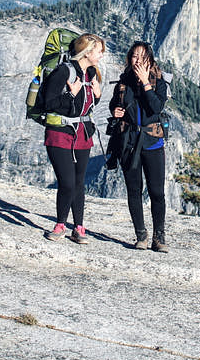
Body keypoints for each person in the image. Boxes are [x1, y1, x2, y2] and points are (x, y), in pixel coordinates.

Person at [42, 33, 105, 244]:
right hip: (60, 134)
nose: (101, 55)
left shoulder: (91, 73)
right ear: (87, 52)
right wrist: (70, 95)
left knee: (79, 183)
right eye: (99, 51)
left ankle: (78, 227)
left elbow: (86, 105)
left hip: (82, 134)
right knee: (67, 182)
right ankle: (60, 224)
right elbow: (48, 102)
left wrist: (97, 95)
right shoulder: (64, 71)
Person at [109, 41, 169, 252]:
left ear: (150, 60)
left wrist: (145, 83)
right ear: (129, 58)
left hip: (152, 143)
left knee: (157, 192)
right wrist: (115, 111)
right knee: (134, 191)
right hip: (129, 143)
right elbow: (115, 103)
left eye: (143, 57)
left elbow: (156, 107)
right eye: (134, 56)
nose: (138, 60)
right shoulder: (123, 82)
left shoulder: (159, 82)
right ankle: (141, 235)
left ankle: (159, 237)